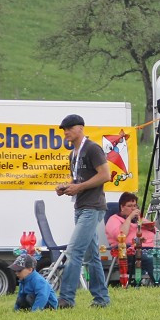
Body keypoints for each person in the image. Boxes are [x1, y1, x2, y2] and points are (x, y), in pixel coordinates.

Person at [55, 114, 111, 309]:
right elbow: (79, 180)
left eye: (69, 128)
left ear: (81, 128)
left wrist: (78, 188)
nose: (66, 132)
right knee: (91, 256)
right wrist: (67, 187)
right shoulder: (73, 154)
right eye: (64, 129)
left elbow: (106, 175)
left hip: (92, 207)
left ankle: (66, 299)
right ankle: (101, 299)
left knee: (74, 252)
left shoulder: (92, 148)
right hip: (80, 207)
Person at [105, 192, 160, 286]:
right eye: (130, 206)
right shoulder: (114, 219)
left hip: (151, 249)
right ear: (122, 207)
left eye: (135, 206)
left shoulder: (141, 220)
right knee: (150, 259)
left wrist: (151, 228)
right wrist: (129, 218)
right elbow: (120, 235)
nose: (133, 208)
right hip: (130, 251)